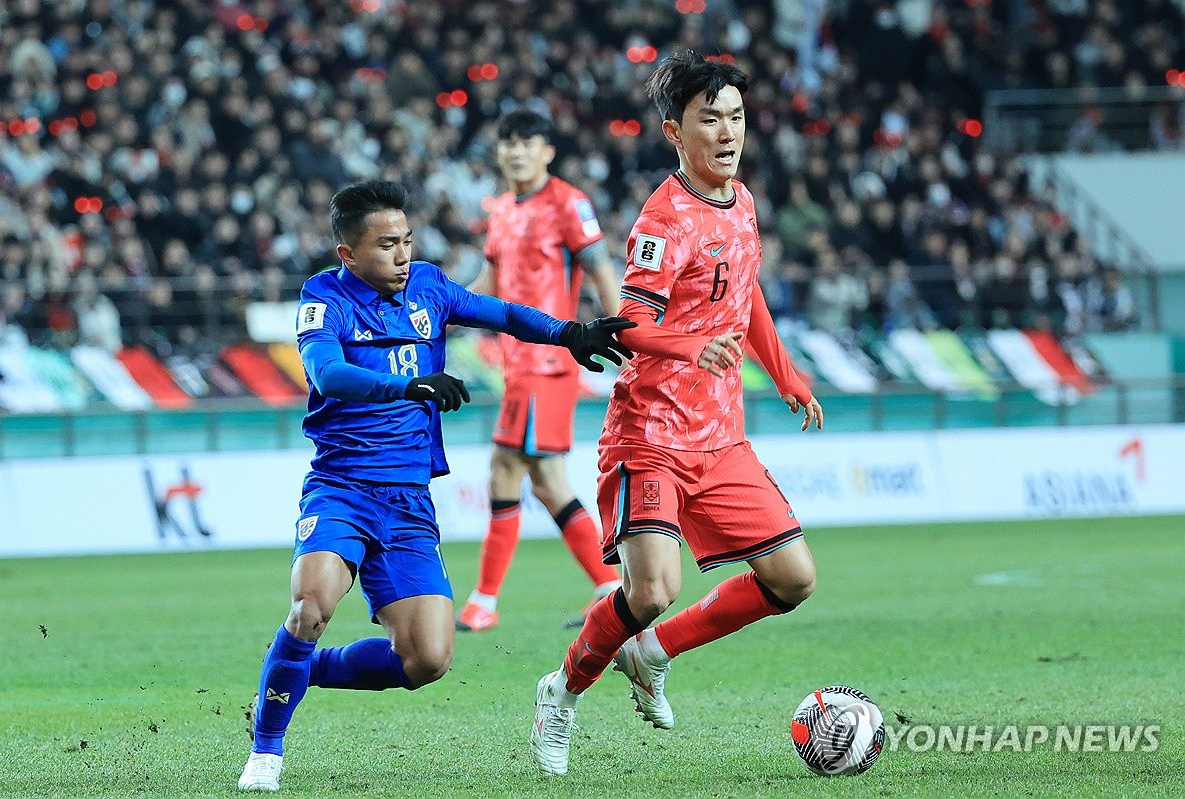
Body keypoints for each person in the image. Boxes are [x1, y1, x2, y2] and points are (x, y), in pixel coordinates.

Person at [237, 179, 633, 792]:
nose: (402, 255)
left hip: (409, 501)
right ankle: (266, 752)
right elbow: (327, 373)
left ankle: (300, 670)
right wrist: (408, 386)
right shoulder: (323, 296)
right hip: (342, 488)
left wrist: (570, 333)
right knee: (309, 605)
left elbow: (500, 313)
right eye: (386, 244)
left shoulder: (427, 286)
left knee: (427, 660)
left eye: (407, 241)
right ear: (349, 254)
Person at [528, 51, 824, 777]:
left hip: (721, 438)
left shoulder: (743, 201)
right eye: (709, 119)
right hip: (651, 436)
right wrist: (694, 344)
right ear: (674, 130)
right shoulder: (663, 221)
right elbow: (628, 323)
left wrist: (784, 372)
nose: (727, 132)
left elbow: (745, 292)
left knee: (792, 578)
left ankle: (653, 653)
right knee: (653, 588)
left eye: (736, 117)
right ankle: (561, 691)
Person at [456, 110, 624, 633]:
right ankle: (610, 587)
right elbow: (489, 277)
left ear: (547, 151)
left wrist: (625, 337)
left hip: (549, 360)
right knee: (547, 482)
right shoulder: (501, 209)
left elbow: (600, 272)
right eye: (507, 142)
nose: (516, 151)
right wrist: (440, 305)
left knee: (506, 470)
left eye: (527, 142)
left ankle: (484, 601)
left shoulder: (569, 203)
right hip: (516, 361)